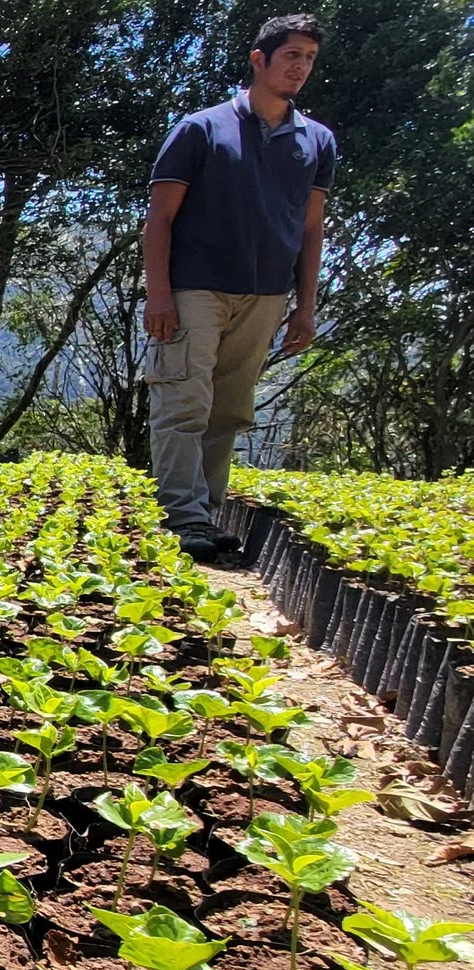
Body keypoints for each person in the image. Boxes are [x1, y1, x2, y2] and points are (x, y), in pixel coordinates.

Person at [142, 13, 335, 564]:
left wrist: (305, 307)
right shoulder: (201, 129)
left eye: (309, 59)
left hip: (267, 293)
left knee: (228, 409)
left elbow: (311, 227)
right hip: (194, 289)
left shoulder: (317, 141)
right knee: (183, 401)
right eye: (292, 55)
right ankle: (183, 518)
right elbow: (159, 219)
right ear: (260, 59)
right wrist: (160, 294)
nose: (300, 68)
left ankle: (205, 513)